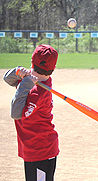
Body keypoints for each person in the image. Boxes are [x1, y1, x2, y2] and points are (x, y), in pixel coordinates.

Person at [3, 44, 59, 181]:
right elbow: (7, 79)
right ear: (53, 68)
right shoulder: (34, 79)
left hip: (41, 151)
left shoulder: (38, 91)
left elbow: (16, 113)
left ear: (32, 61)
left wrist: (25, 84)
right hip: (33, 148)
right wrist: (17, 72)